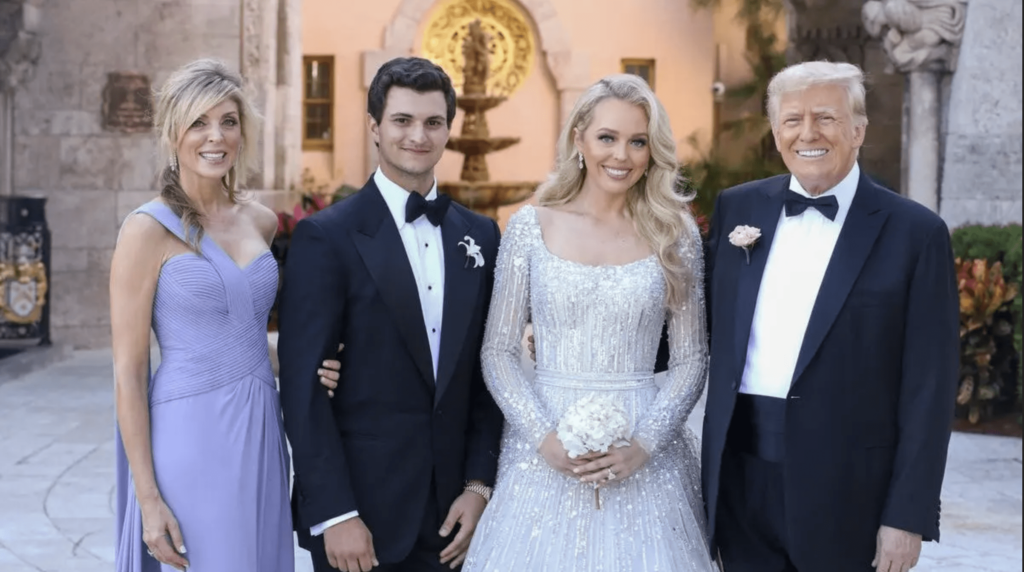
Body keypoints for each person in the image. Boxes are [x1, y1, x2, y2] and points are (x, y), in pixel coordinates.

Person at [701, 61, 959, 572]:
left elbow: (930, 388)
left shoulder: (916, 233)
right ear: (776, 134)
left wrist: (906, 515)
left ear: (858, 130)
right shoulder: (737, 209)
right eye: (792, 120)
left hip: (851, 494)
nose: (808, 133)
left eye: (826, 117)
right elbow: (702, 324)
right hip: (739, 483)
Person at [459, 74, 717, 571]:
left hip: (645, 450)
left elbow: (691, 359)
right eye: (607, 138)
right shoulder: (531, 228)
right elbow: (498, 351)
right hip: (544, 447)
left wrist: (644, 445)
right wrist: (542, 438)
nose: (622, 155)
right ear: (579, 138)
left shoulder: (674, 232)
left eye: (637, 141)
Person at [277, 56, 504, 572]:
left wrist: (479, 487)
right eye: (402, 121)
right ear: (375, 127)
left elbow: (489, 373)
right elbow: (303, 390)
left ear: (450, 128)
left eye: (433, 122)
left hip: (456, 520)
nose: (418, 136)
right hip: (362, 517)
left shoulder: (482, 237)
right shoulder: (325, 237)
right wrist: (335, 512)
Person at [112, 59, 298, 571]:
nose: (216, 136)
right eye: (199, 122)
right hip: (189, 435)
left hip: (261, 428)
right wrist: (148, 498)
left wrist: (321, 359)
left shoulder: (261, 222)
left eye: (229, 121)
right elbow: (128, 373)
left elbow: (247, 330)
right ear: (173, 132)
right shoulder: (145, 230)